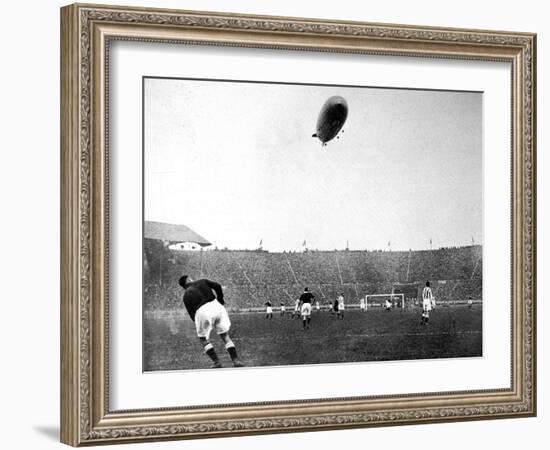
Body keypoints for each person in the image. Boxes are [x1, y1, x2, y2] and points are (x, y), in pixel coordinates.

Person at [178, 275, 244, 368]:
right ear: (188, 280)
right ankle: (236, 360)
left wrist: (200, 324)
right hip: (217, 307)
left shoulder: (186, 296)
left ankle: (217, 362)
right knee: (225, 335)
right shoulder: (202, 281)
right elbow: (217, 286)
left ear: (183, 286)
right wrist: (220, 299)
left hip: (202, 311)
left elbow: (192, 314)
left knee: (203, 339)